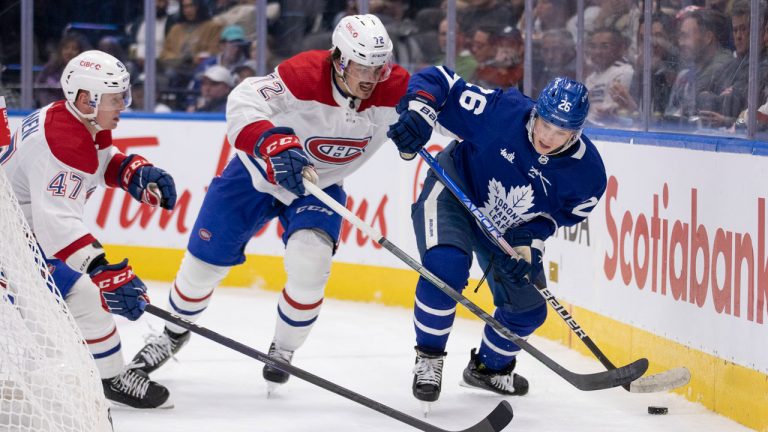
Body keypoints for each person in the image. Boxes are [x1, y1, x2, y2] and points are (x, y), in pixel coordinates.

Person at [131, 14, 409, 394]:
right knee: (202, 265)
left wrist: (429, 121)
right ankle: (172, 333)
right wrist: (273, 142)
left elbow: (446, 109)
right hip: (254, 176)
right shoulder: (303, 74)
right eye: (362, 66)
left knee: (311, 262)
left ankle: (284, 348)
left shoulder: (394, 88)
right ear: (340, 60)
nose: (371, 78)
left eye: (379, 68)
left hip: (318, 187)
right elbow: (242, 101)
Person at [386, 71, 606, 405]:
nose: (548, 136)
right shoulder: (501, 112)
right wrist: (418, 112)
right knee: (445, 268)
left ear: (577, 132)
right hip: (455, 191)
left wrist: (527, 244)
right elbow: (440, 80)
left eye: (561, 132)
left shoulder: (588, 175)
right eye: (545, 124)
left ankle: (489, 369)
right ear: (536, 112)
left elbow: (554, 217)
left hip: (509, 227)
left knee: (528, 310)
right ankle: (429, 358)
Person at [1, 50, 177, 409]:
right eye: (116, 99)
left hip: (20, 232)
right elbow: (58, 225)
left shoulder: (77, 120)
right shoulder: (63, 142)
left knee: (86, 300)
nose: (123, 106)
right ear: (86, 99)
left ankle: (112, 379)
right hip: (9, 241)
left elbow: (99, 162)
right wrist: (102, 269)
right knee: (62, 313)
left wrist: (131, 172)